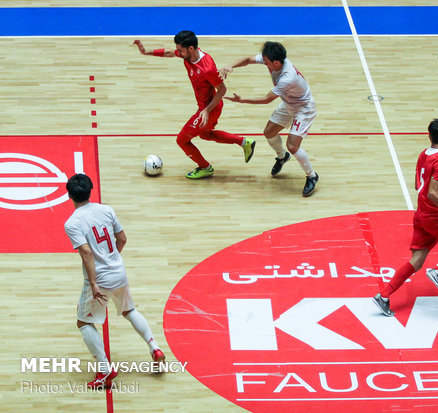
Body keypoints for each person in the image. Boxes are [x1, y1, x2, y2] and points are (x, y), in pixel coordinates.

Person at [64, 174, 165, 388]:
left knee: (84, 322)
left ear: (69, 195)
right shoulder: (106, 210)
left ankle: (104, 370)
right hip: (119, 271)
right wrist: (113, 259)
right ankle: (154, 347)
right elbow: (123, 239)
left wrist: (93, 283)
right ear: (90, 190)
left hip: (99, 280)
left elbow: (87, 253)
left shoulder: (72, 223)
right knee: (130, 311)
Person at [373, 118, 438, 317]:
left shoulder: (424, 155)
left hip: (421, 215)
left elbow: (420, 187)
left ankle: (384, 296)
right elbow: (432, 193)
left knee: (417, 260)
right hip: (435, 218)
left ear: (429, 135)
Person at [133, 31, 255, 179]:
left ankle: (205, 167)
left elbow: (222, 90)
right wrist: (147, 52)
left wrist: (206, 110)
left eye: (181, 50)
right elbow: (170, 53)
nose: (178, 52)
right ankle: (244, 142)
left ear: (191, 48)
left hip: (210, 108)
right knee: (205, 134)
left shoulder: (207, 68)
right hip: (205, 108)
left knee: (182, 140)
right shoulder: (188, 55)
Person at [219, 41, 319, 197]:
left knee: (292, 146)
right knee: (269, 132)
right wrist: (230, 65)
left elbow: (266, 99)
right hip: (288, 103)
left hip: (303, 109)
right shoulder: (274, 60)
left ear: (276, 62)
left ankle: (312, 176)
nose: (264, 64)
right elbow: (247, 60)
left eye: (266, 63)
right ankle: (282, 157)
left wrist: (242, 100)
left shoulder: (288, 77)